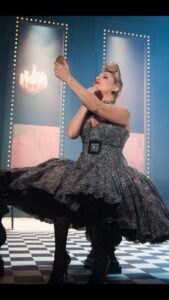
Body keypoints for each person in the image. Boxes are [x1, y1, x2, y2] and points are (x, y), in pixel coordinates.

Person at [1, 57, 169, 285]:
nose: (99, 77)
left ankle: (101, 260)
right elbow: (71, 132)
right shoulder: (89, 109)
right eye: (99, 75)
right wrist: (84, 104)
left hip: (110, 169)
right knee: (61, 194)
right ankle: (61, 259)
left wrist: (68, 78)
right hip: (83, 166)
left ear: (116, 87)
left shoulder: (123, 113)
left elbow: (99, 107)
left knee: (90, 195)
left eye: (106, 77)